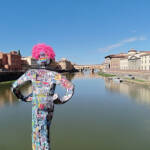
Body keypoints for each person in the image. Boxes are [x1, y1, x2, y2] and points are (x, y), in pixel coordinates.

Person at [11, 43, 74, 150]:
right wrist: (60, 100)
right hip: (49, 104)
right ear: (50, 59)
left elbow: (14, 87)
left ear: (37, 58)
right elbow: (71, 87)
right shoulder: (54, 75)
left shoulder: (31, 73)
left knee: (36, 131)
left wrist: (24, 98)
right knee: (45, 131)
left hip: (37, 104)